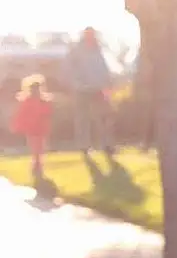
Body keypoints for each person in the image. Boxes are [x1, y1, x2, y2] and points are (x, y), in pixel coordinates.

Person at [63, 27, 114, 155]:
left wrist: (107, 83)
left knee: (103, 117)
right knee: (82, 119)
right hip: (82, 89)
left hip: (98, 88)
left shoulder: (98, 50)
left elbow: (103, 67)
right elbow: (68, 68)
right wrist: (76, 82)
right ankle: (84, 146)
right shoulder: (76, 50)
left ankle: (106, 144)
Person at [9, 74, 53, 184]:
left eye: (37, 89)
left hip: (40, 127)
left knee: (40, 147)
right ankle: (36, 164)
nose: (36, 92)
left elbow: (48, 112)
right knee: (35, 147)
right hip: (32, 128)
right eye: (34, 90)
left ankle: (37, 163)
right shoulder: (27, 101)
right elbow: (21, 114)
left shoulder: (43, 101)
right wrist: (18, 125)